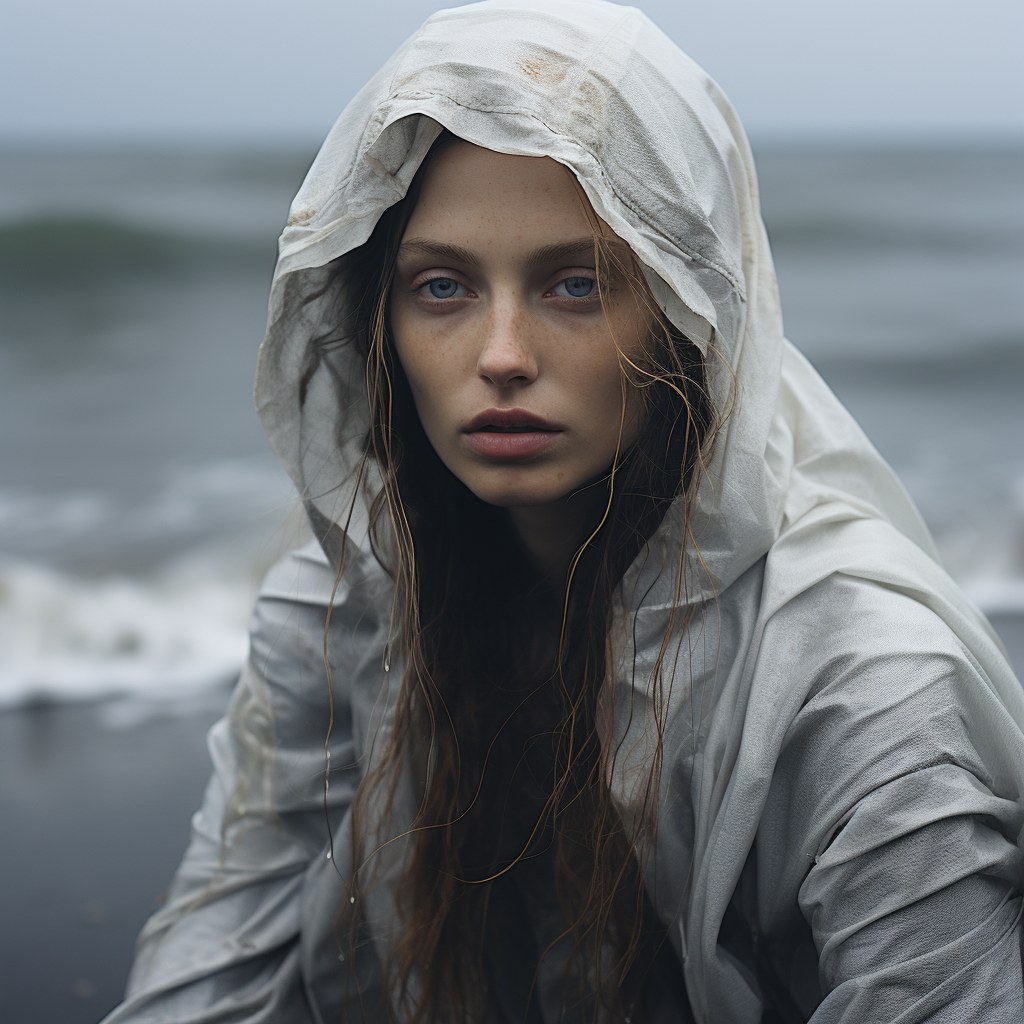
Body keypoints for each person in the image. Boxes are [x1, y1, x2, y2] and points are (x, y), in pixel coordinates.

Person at [102, 2, 1024, 1022]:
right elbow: (205, 978)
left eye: (576, 284)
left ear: (687, 314)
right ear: (380, 320)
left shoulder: (860, 686)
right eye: (442, 286)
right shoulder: (339, 613)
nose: (501, 355)